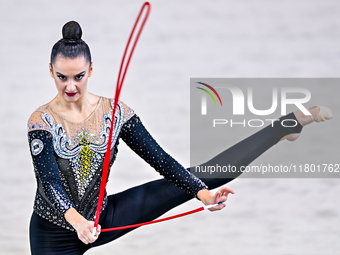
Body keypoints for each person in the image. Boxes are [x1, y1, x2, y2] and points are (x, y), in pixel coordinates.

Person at [27, 21, 333, 255]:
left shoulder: (115, 112)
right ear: (50, 71)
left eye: (78, 76)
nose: (70, 86)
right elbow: (51, 183)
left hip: (102, 216)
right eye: (62, 77)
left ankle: (285, 126)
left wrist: (202, 195)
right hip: (54, 233)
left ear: (90, 70)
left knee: (208, 176)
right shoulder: (41, 121)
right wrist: (78, 224)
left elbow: (161, 161)